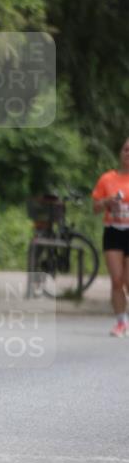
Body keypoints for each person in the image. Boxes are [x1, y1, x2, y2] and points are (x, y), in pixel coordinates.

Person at [92, 136, 129, 336]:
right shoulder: (107, 179)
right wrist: (107, 202)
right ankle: (121, 323)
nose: (128, 154)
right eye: (125, 150)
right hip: (113, 231)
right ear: (120, 153)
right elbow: (95, 208)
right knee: (116, 280)